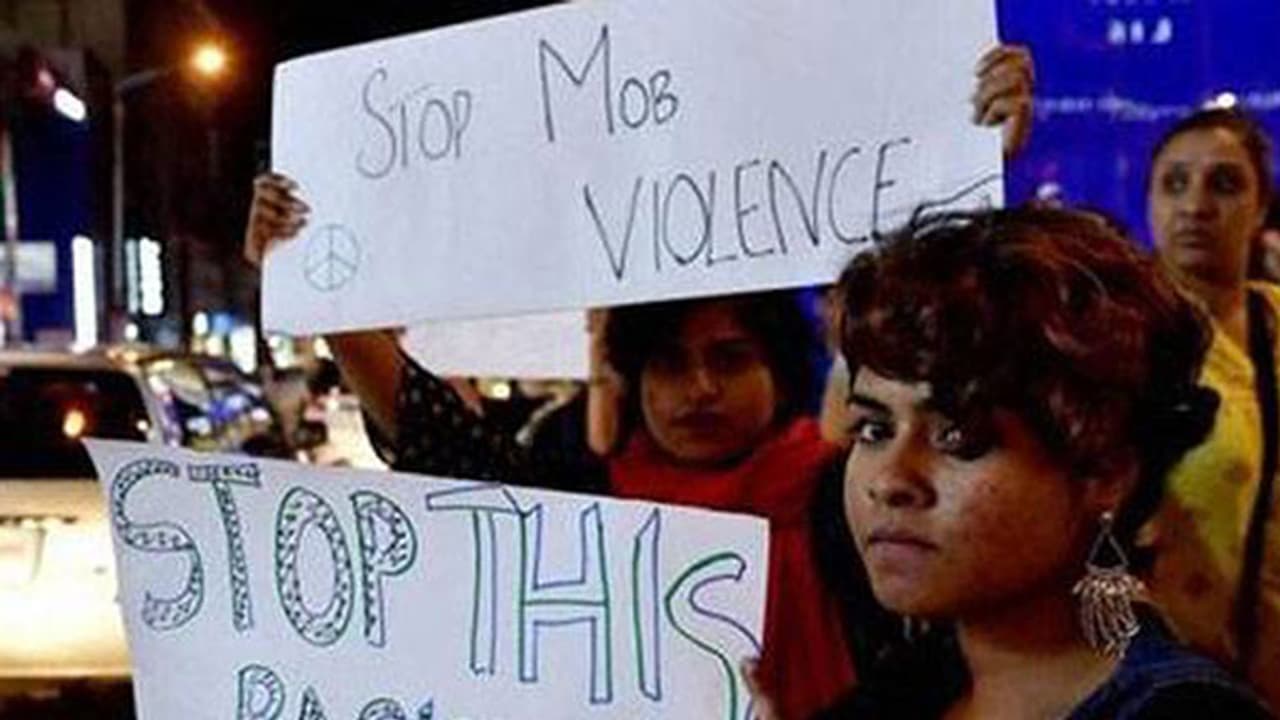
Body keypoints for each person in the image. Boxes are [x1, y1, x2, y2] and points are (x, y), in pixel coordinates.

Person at [245, 45, 1034, 719]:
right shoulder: (587, 503)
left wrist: (967, 168)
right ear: (632, 376)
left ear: (778, 364)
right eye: (669, 364)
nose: (700, 388)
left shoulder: (854, 501)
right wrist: (318, 286)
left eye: (729, 358)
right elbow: (440, 442)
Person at [786, 207, 1270, 719]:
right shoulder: (898, 691)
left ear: (1104, 471)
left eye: (958, 436)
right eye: (874, 430)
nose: (889, 481)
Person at [1145, 107, 1280, 708]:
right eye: (1174, 183)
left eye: (1224, 184)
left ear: (1262, 207)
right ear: (1149, 203)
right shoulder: (1116, 334)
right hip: (1175, 678)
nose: (1195, 205)